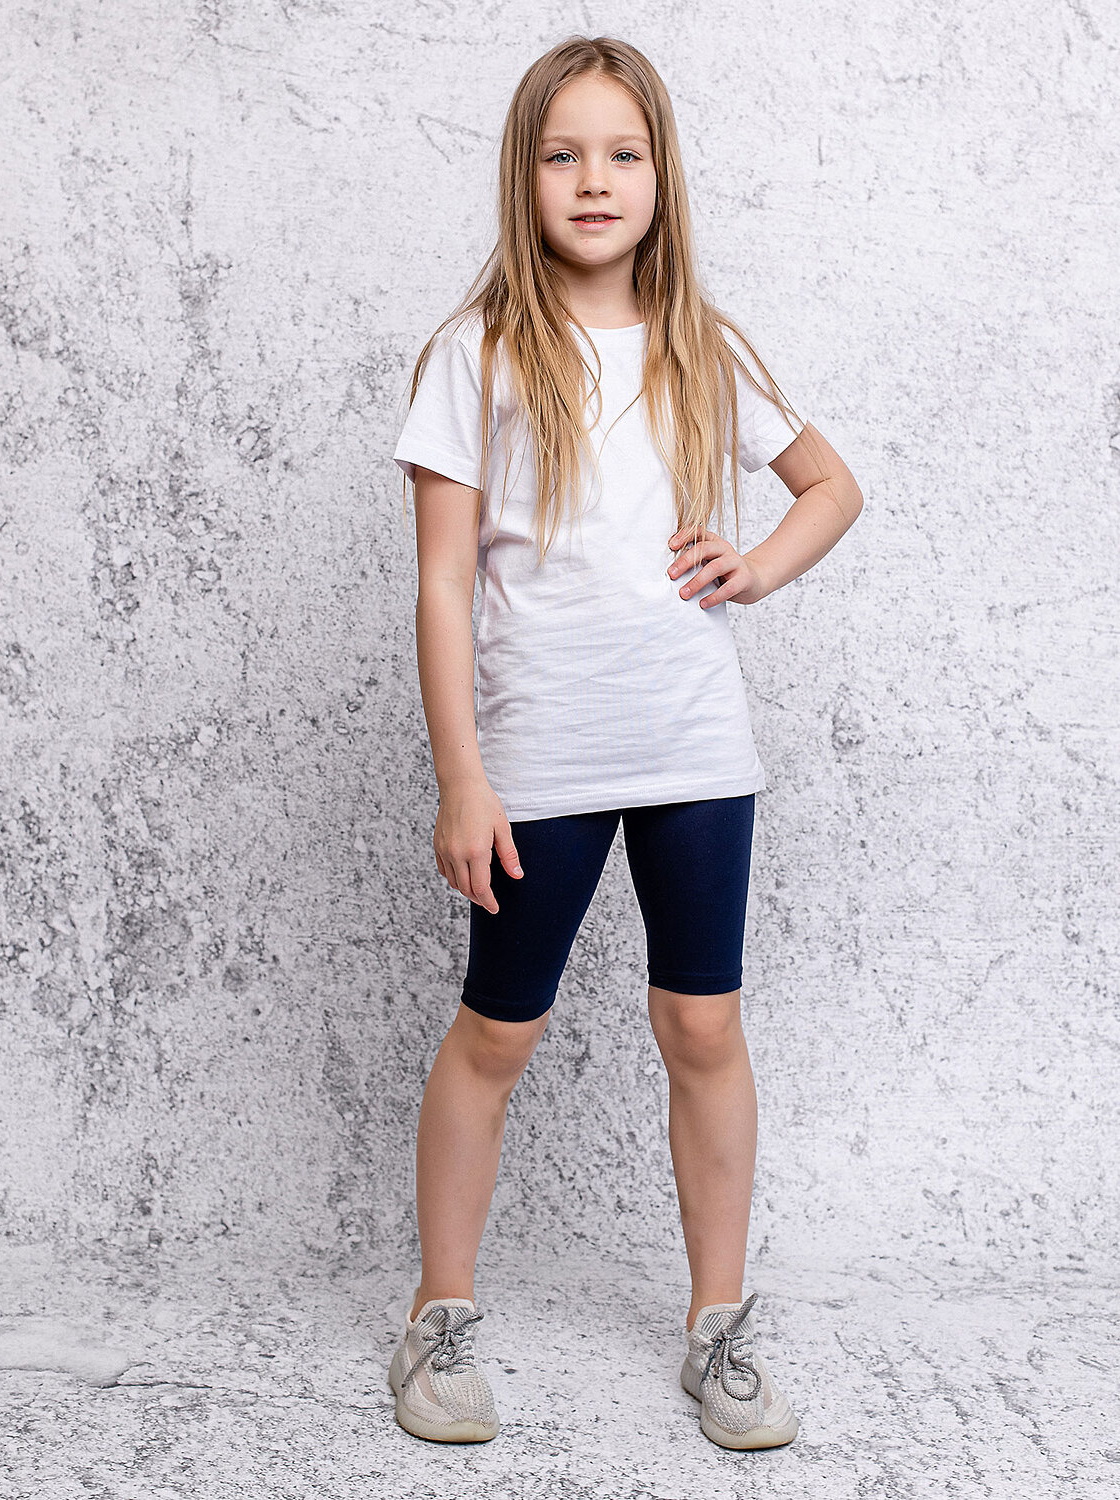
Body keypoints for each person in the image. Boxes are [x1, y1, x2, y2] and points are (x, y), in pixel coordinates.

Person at [386, 34, 863, 1451]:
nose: (592, 180)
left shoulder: (701, 346)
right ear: (523, 175)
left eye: (621, 152)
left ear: (659, 175)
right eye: (562, 153)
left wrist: (755, 569)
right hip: (538, 763)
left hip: (696, 755)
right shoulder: (475, 354)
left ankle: (718, 1327)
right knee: (499, 1032)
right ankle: (438, 1316)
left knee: (702, 1025)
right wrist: (463, 778)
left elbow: (830, 487)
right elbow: (442, 582)